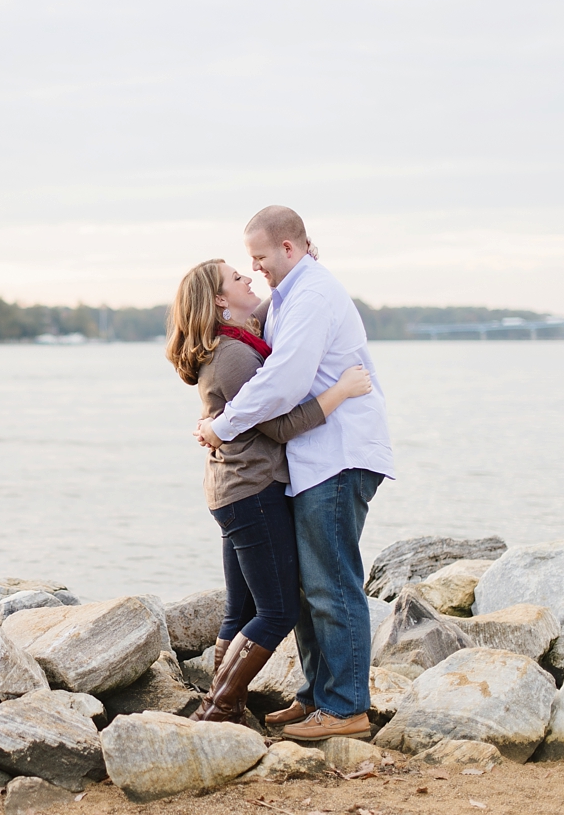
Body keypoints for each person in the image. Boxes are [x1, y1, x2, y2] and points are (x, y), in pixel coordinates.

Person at [196, 206, 394, 741]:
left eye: (258, 257)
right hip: (313, 457)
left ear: (289, 248)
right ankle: (315, 697)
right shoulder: (286, 296)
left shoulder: (311, 294)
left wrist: (224, 424)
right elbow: (233, 333)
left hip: (338, 455)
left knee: (332, 582)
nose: (254, 267)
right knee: (310, 587)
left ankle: (347, 706)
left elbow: (283, 381)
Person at [165, 257, 374, 725]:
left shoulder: (240, 340)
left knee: (240, 608)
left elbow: (285, 323)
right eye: (236, 277)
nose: (248, 276)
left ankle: (231, 708)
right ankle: (218, 709)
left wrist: (301, 261)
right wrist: (339, 391)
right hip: (252, 490)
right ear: (220, 300)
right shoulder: (236, 354)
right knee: (277, 611)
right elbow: (278, 426)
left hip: (233, 489)